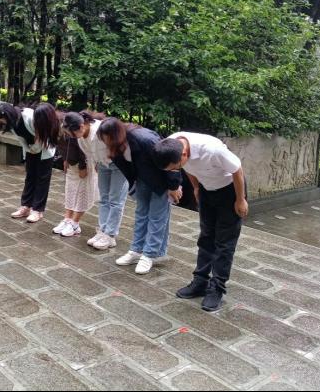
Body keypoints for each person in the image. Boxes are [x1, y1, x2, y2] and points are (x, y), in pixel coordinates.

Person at [153, 132, 248, 312]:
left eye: (175, 167)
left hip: (230, 190)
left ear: (184, 154)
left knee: (224, 242)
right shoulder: (172, 145)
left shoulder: (212, 150)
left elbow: (237, 170)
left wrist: (240, 199)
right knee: (206, 236)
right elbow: (189, 169)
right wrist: (196, 187)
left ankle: (217, 288)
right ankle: (200, 281)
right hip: (206, 189)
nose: (175, 170)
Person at [104, 119, 182, 275]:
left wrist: (173, 186)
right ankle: (136, 250)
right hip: (142, 180)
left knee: (157, 218)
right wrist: (133, 186)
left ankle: (150, 254)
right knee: (141, 214)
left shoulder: (145, 139)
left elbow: (171, 160)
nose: (105, 141)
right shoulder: (114, 146)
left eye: (107, 137)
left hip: (162, 182)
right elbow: (126, 168)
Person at [62, 112, 129, 250]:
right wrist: (96, 164)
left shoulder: (100, 129)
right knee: (103, 199)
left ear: (81, 126)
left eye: (72, 133)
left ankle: (110, 235)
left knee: (115, 201)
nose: (71, 137)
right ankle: (102, 231)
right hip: (103, 165)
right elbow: (90, 154)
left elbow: (121, 144)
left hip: (119, 163)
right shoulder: (81, 139)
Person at [0, 102, 60, 223]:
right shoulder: (11, 123)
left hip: (44, 147)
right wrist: (29, 150)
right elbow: (21, 139)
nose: (2, 122)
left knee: (42, 179)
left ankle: (37, 210)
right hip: (31, 149)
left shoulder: (29, 116)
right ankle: (26, 206)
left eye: (3, 119)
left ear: (9, 115)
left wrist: (35, 149)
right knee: (30, 177)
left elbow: (41, 135)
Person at [52, 127, 98, 237]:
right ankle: (67, 219)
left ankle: (75, 223)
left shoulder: (72, 128)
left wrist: (83, 166)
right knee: (70, 190)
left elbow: (82, 147)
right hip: (71, 161)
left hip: (84, 163)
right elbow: (62, 144)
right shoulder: (56, 128)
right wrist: (65, 159)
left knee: (83, 192)